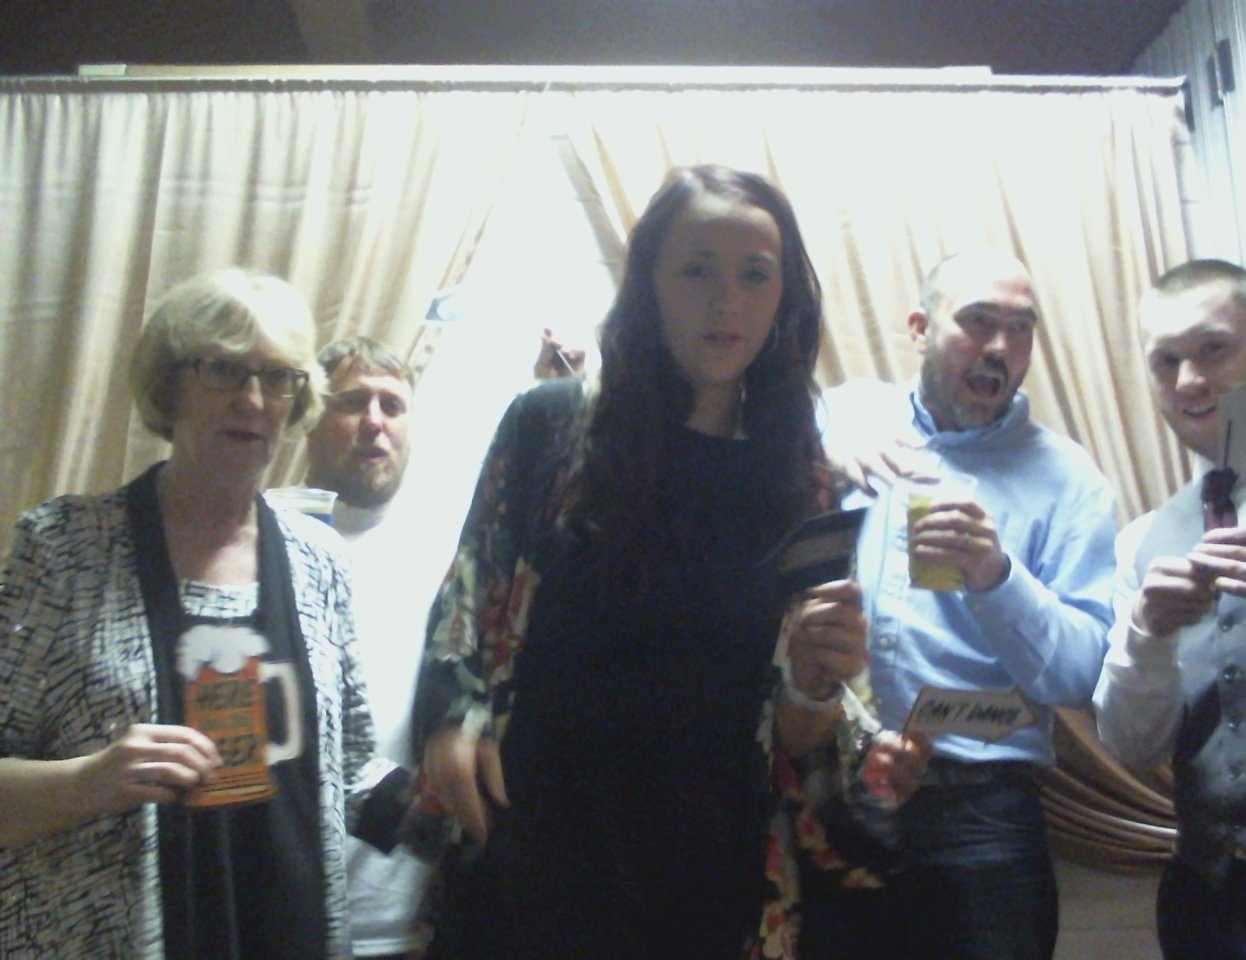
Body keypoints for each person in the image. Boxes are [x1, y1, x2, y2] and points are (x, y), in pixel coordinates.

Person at [410, 164, 927, 960]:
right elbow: (468, 593)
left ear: (784, 297)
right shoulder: (552, 428)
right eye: (696, 270)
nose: (727, 301)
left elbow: (798, 726)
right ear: (649, 282)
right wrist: (452, 722)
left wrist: (820, 685)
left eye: (754, 274)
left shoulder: (796, 475)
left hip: (709, 871)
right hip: (539, 849)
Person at [0, 269, 409, 958]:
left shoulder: (319, 560)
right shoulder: (64, 548)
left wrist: (457, 813)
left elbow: (346, 767)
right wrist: (88, 782)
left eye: (277, 377)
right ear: (170, 386)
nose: (252, 399)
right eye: (222, 370)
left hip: (286, 933)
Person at [813, 249, 1117, 960]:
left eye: (1021, 327)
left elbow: (1080, 676)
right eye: (978, 322)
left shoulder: (1070, 481)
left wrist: (996, 576)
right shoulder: (851, 413)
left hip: (979, 807)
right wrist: (823, 443)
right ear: (920, 328)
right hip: (831, 785)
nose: (1001, 347)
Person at [1093, 259, 1246, 959]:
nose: (1189, 380)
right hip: (1205, 904)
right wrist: (1146, 634)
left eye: (1213, 349)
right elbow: (1132, 747)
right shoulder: (1142, 542)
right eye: (1165, 361)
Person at [306, 336, 431, 959]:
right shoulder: (258, 539)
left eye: (393, 405)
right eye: (353, 402)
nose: (375, 422)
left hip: (404, 918)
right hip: (276, 915)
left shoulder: (445, 554)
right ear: (309, 416)